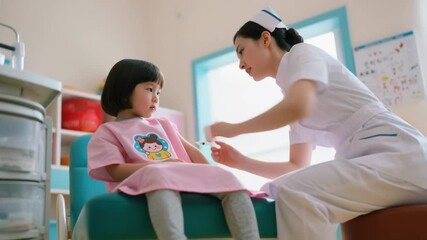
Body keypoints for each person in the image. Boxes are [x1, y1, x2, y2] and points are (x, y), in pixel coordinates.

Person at [207, 7, 427, 240]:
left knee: (295, 192)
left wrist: (234, 129)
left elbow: (297, 107)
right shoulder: (294, 90)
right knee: (281, 188)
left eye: (242, 52)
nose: (240, 64)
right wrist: (240, 161)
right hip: (384, 161)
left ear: (265, 39)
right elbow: (296, 165)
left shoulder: (301, 55)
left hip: (401, 155)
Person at [88, 59, 261, 240]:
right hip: (141, 185)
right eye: (149, 89)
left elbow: (192, 152)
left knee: (226, 176)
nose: (156, 97)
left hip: (179, 178)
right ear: (124, 92)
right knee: (159, 174)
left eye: (158, 92)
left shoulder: (163, 124)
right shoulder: (107, 132)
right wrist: (159, 165)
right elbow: (114, 171)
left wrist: (212, 174)